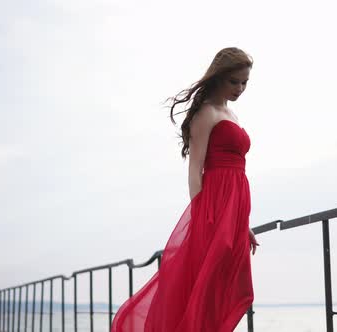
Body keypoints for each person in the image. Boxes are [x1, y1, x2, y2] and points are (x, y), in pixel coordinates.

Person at [111, 47, 259, 332]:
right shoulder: (206, 113)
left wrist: (244, 224)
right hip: (213, 209)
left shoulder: (230, 113)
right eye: (234, 82)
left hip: (235, 208)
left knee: (225, 285)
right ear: (218, 77)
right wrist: (203, 215)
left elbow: (236, 172)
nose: (240, 88)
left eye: (245, 82)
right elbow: (195, 169)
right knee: (204, 285)